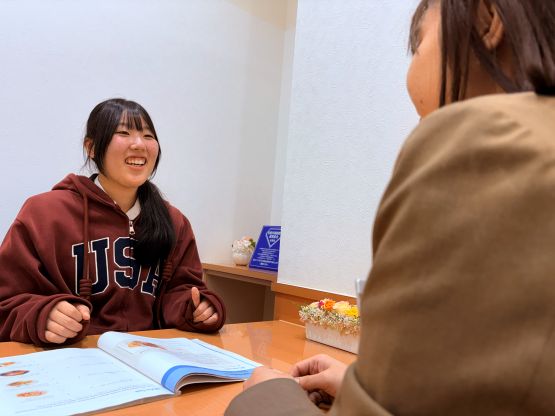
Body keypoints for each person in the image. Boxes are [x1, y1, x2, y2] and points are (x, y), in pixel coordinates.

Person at [226, 0, 555, 414]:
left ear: (489, 19)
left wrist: (266, 395)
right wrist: (361, 385)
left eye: (418, 45)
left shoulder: (480, 144)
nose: (410, 73)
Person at [0, 98, 226, 346]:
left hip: (149, 354)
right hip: (71, 355)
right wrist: (42, 315)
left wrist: (198, 310)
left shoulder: (174, 221)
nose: (139, 144)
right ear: (92, 147)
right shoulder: (44, 213)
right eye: (124, 133)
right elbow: (7, 302)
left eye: (148, 136)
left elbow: (182, 291)